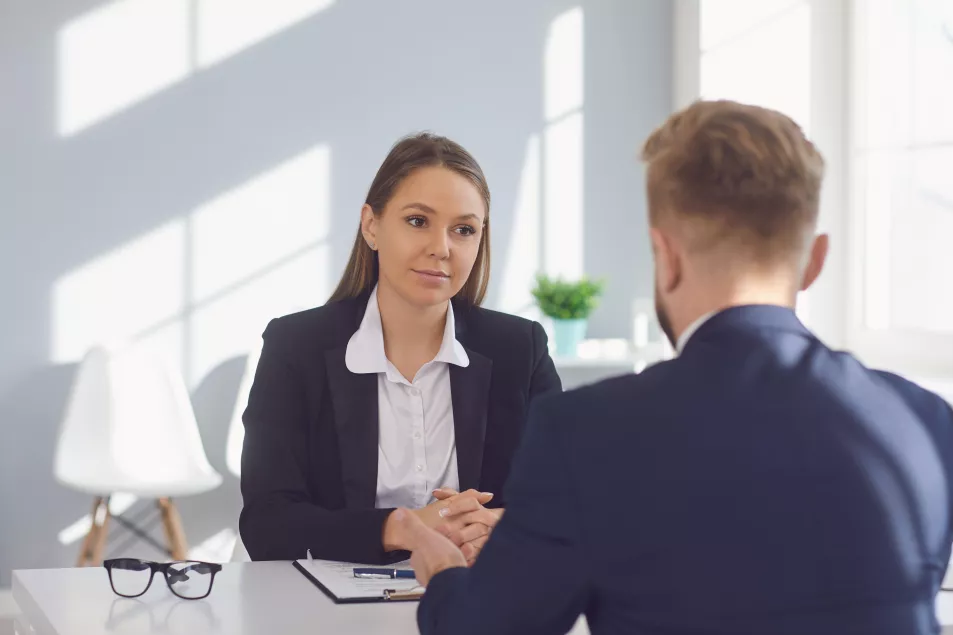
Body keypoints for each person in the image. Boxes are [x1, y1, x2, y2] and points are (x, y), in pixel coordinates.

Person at [401, 101, 953, 635]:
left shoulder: (586, 432)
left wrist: (444, 574)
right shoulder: (928, 420)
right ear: (815, 260)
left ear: (665, 256)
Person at [239, 133, 561, 565]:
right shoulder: (295, 347)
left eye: (463, 230)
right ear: (371, 225)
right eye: (417, 221)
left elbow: (565, 502)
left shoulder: (520, 349)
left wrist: (499, 526)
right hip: (330, 607)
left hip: (475, 598)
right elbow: (267, 525)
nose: (441, 248)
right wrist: (405, 528)